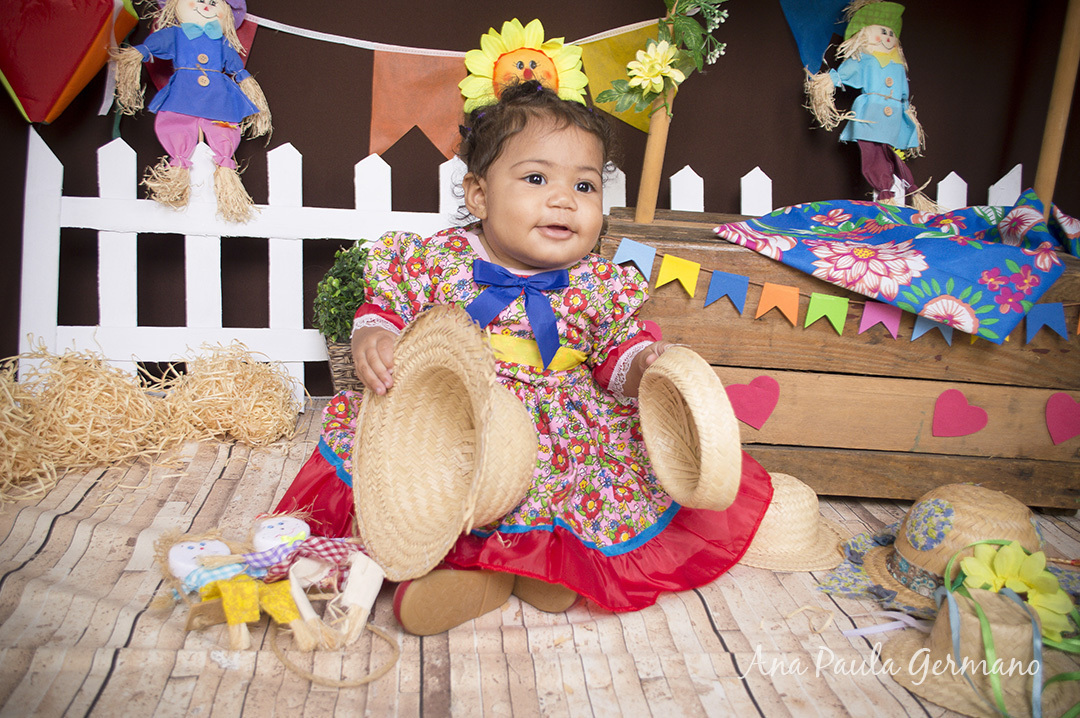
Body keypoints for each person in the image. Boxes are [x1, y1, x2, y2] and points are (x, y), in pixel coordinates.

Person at [275, 80, 772, 635]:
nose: (563, 199)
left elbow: (614, 357)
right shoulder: (443, 257)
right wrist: (373, 336)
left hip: (560, 423)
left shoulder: (598, 283)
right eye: (536, 179)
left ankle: (530, 568)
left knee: (568, 479)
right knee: (430, 481)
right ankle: (464, 574)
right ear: (480, 195)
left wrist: (647, 364)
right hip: (455, 413)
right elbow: (386, 306)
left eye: (584, 185)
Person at [805, 0, 928, 207]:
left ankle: (902, 190)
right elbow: (845, 74)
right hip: (870, 112)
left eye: (891, 33)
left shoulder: (898, 65)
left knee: (892, 154)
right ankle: (885, 193)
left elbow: (903, 92)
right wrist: (826, 84)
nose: (888, 37)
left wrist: (908, 112)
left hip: (894, 115)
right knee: (873, 153)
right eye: (882, 32)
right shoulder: (864, 59)